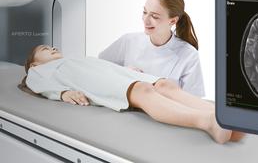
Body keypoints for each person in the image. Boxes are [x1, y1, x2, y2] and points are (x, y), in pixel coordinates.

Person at [22, 45, 245, 144]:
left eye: (51, 46)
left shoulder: (72, 58)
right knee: (143, 91)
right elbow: (36, 84)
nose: (51, 48)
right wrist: (62, 93)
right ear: (34, 64)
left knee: (165, 85)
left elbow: (101, 65)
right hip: (94, 82)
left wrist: (124, 70)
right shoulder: (40, 72)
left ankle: (219, 112)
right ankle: (207, 122)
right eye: (44, 49)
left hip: (110, 72)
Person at [98, 0, 205, 96]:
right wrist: (123, 72)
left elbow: (194, 101)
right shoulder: (129, 41)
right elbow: (97, 69)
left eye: (154, 16)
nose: (146, 19)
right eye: (144, 12)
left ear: (172, 20)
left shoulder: (188, 55)